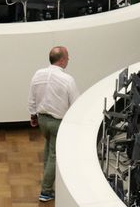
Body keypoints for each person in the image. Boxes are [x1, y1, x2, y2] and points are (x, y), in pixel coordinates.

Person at [28, 46, 80, 203]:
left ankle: (48, 184)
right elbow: (75, 104)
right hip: (58, 122)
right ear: (62, 60)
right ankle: (45, 191)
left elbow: (31, 98)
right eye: (68, 57)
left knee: (48, 151)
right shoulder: (68, 79)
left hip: (43, 120)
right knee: (54, 155)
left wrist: (33, 116)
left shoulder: (38, 74)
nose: (69, 59)